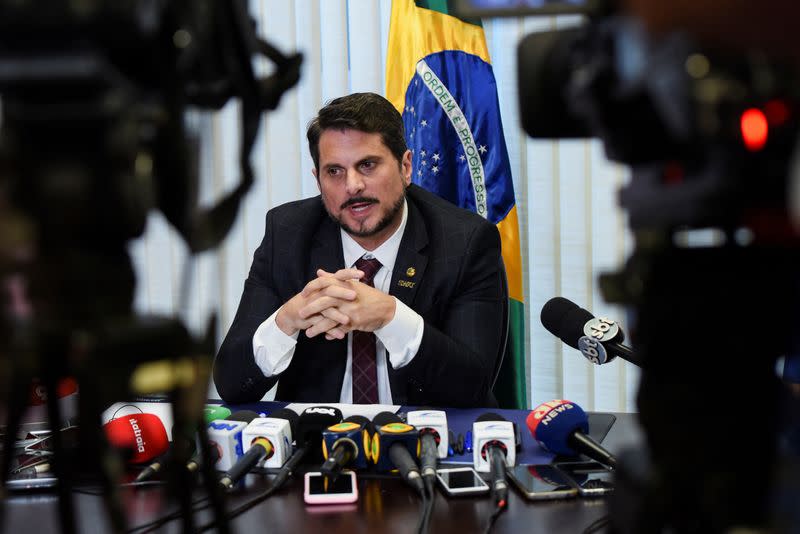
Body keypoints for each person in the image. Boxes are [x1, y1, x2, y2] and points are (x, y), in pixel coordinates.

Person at [213, 92, 506, 407]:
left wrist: (390, 317)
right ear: (318, 180)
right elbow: (232, 385)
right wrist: (288, 320)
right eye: (334, 171)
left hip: (425, 444)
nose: (352, 186)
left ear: (406, 167)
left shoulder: (465, 242)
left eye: (367, 165)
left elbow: (473, 387)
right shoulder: (287, 235)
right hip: (319, 445)